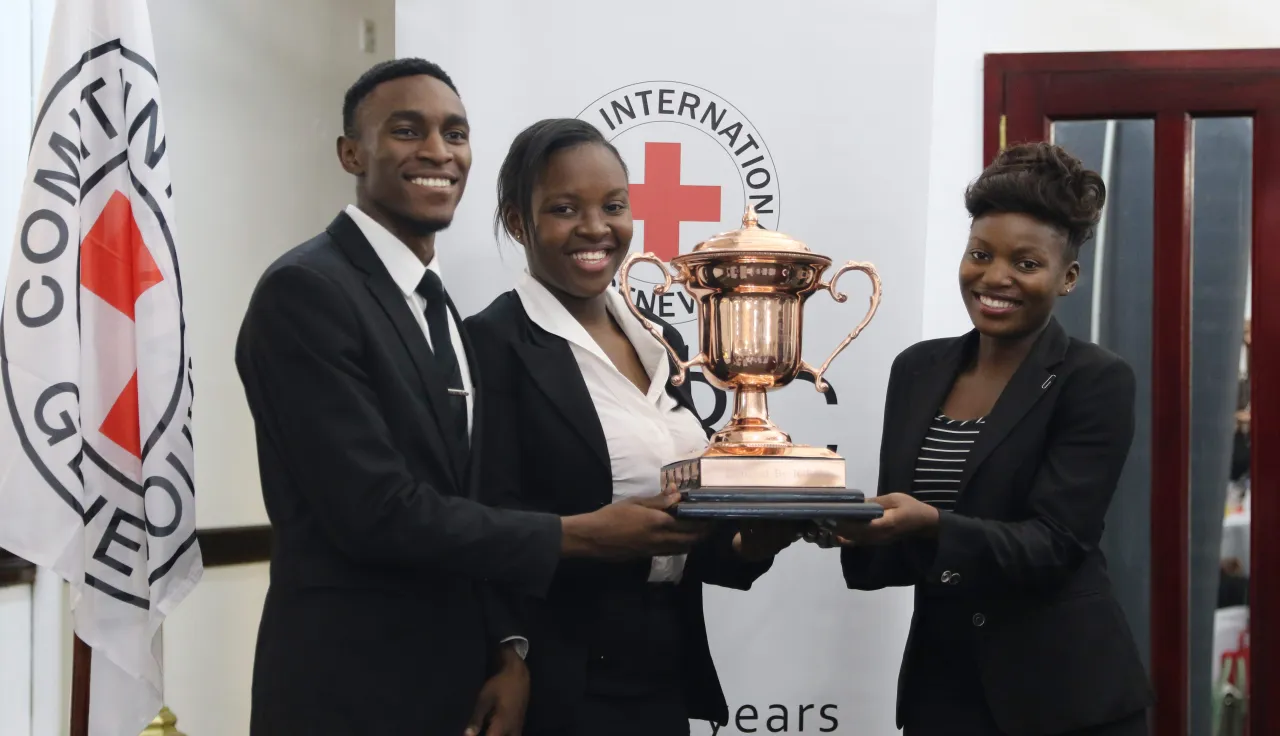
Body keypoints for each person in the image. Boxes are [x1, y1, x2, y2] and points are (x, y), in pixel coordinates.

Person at [235, 60, 708, 736]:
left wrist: (506, 653)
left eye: (454, 133)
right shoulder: (307, 291)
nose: (437, 151)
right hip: (353, 687)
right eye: (407, 130)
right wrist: (579, 536)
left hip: (459, 683)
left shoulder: (436, 308)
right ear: (351, 152)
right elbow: (376, 512)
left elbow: (464, 498)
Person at [463, 118, 800, 736]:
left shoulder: (660, 338)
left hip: (663, 660)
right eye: (565, 208)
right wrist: (507, 655)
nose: (597, 228)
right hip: (558, 673)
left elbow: (686, 524)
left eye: (613, 206)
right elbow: (483, 521)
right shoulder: (489, 344)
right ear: (518, 222)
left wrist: (753, 540)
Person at [828, 142, 1153, 735]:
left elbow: (1055, 545)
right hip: (943, 688)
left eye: (1026, 264)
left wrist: (929, 525)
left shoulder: (1096, 380)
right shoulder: (917, 370)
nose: (994, 277)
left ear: (1067, 278)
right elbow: (903, 529)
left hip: (1062, 696)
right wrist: (841, 524)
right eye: (980, 254)